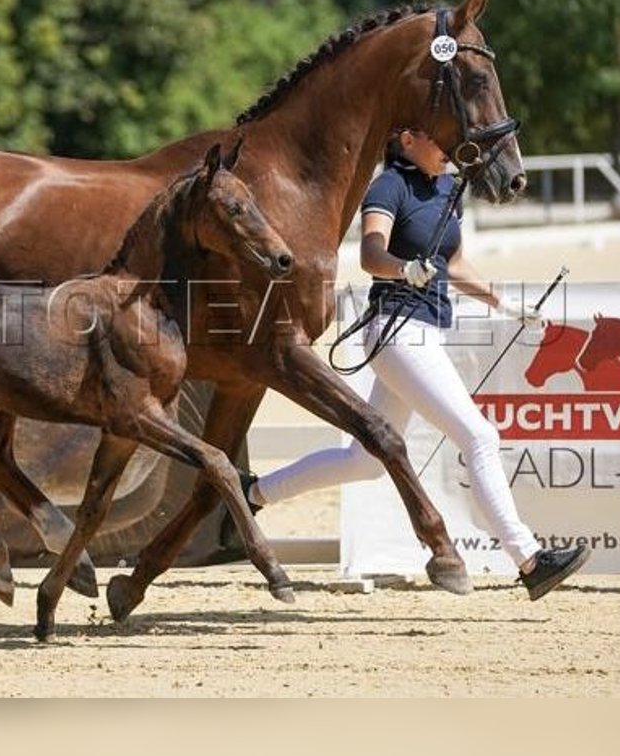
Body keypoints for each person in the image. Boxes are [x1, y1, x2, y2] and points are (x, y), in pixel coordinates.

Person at [244, 128, 589, 601]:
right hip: (397, 331)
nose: (448, 146)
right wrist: (402, 269)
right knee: (480, 436)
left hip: (426, 332)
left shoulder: (449, 189)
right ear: (407, 140)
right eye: (437, 138)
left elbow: (457, 265)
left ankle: (254, 494)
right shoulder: (389, 187)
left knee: (363, 461)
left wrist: (506, 304)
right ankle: (529, 559)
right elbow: (370, 255)